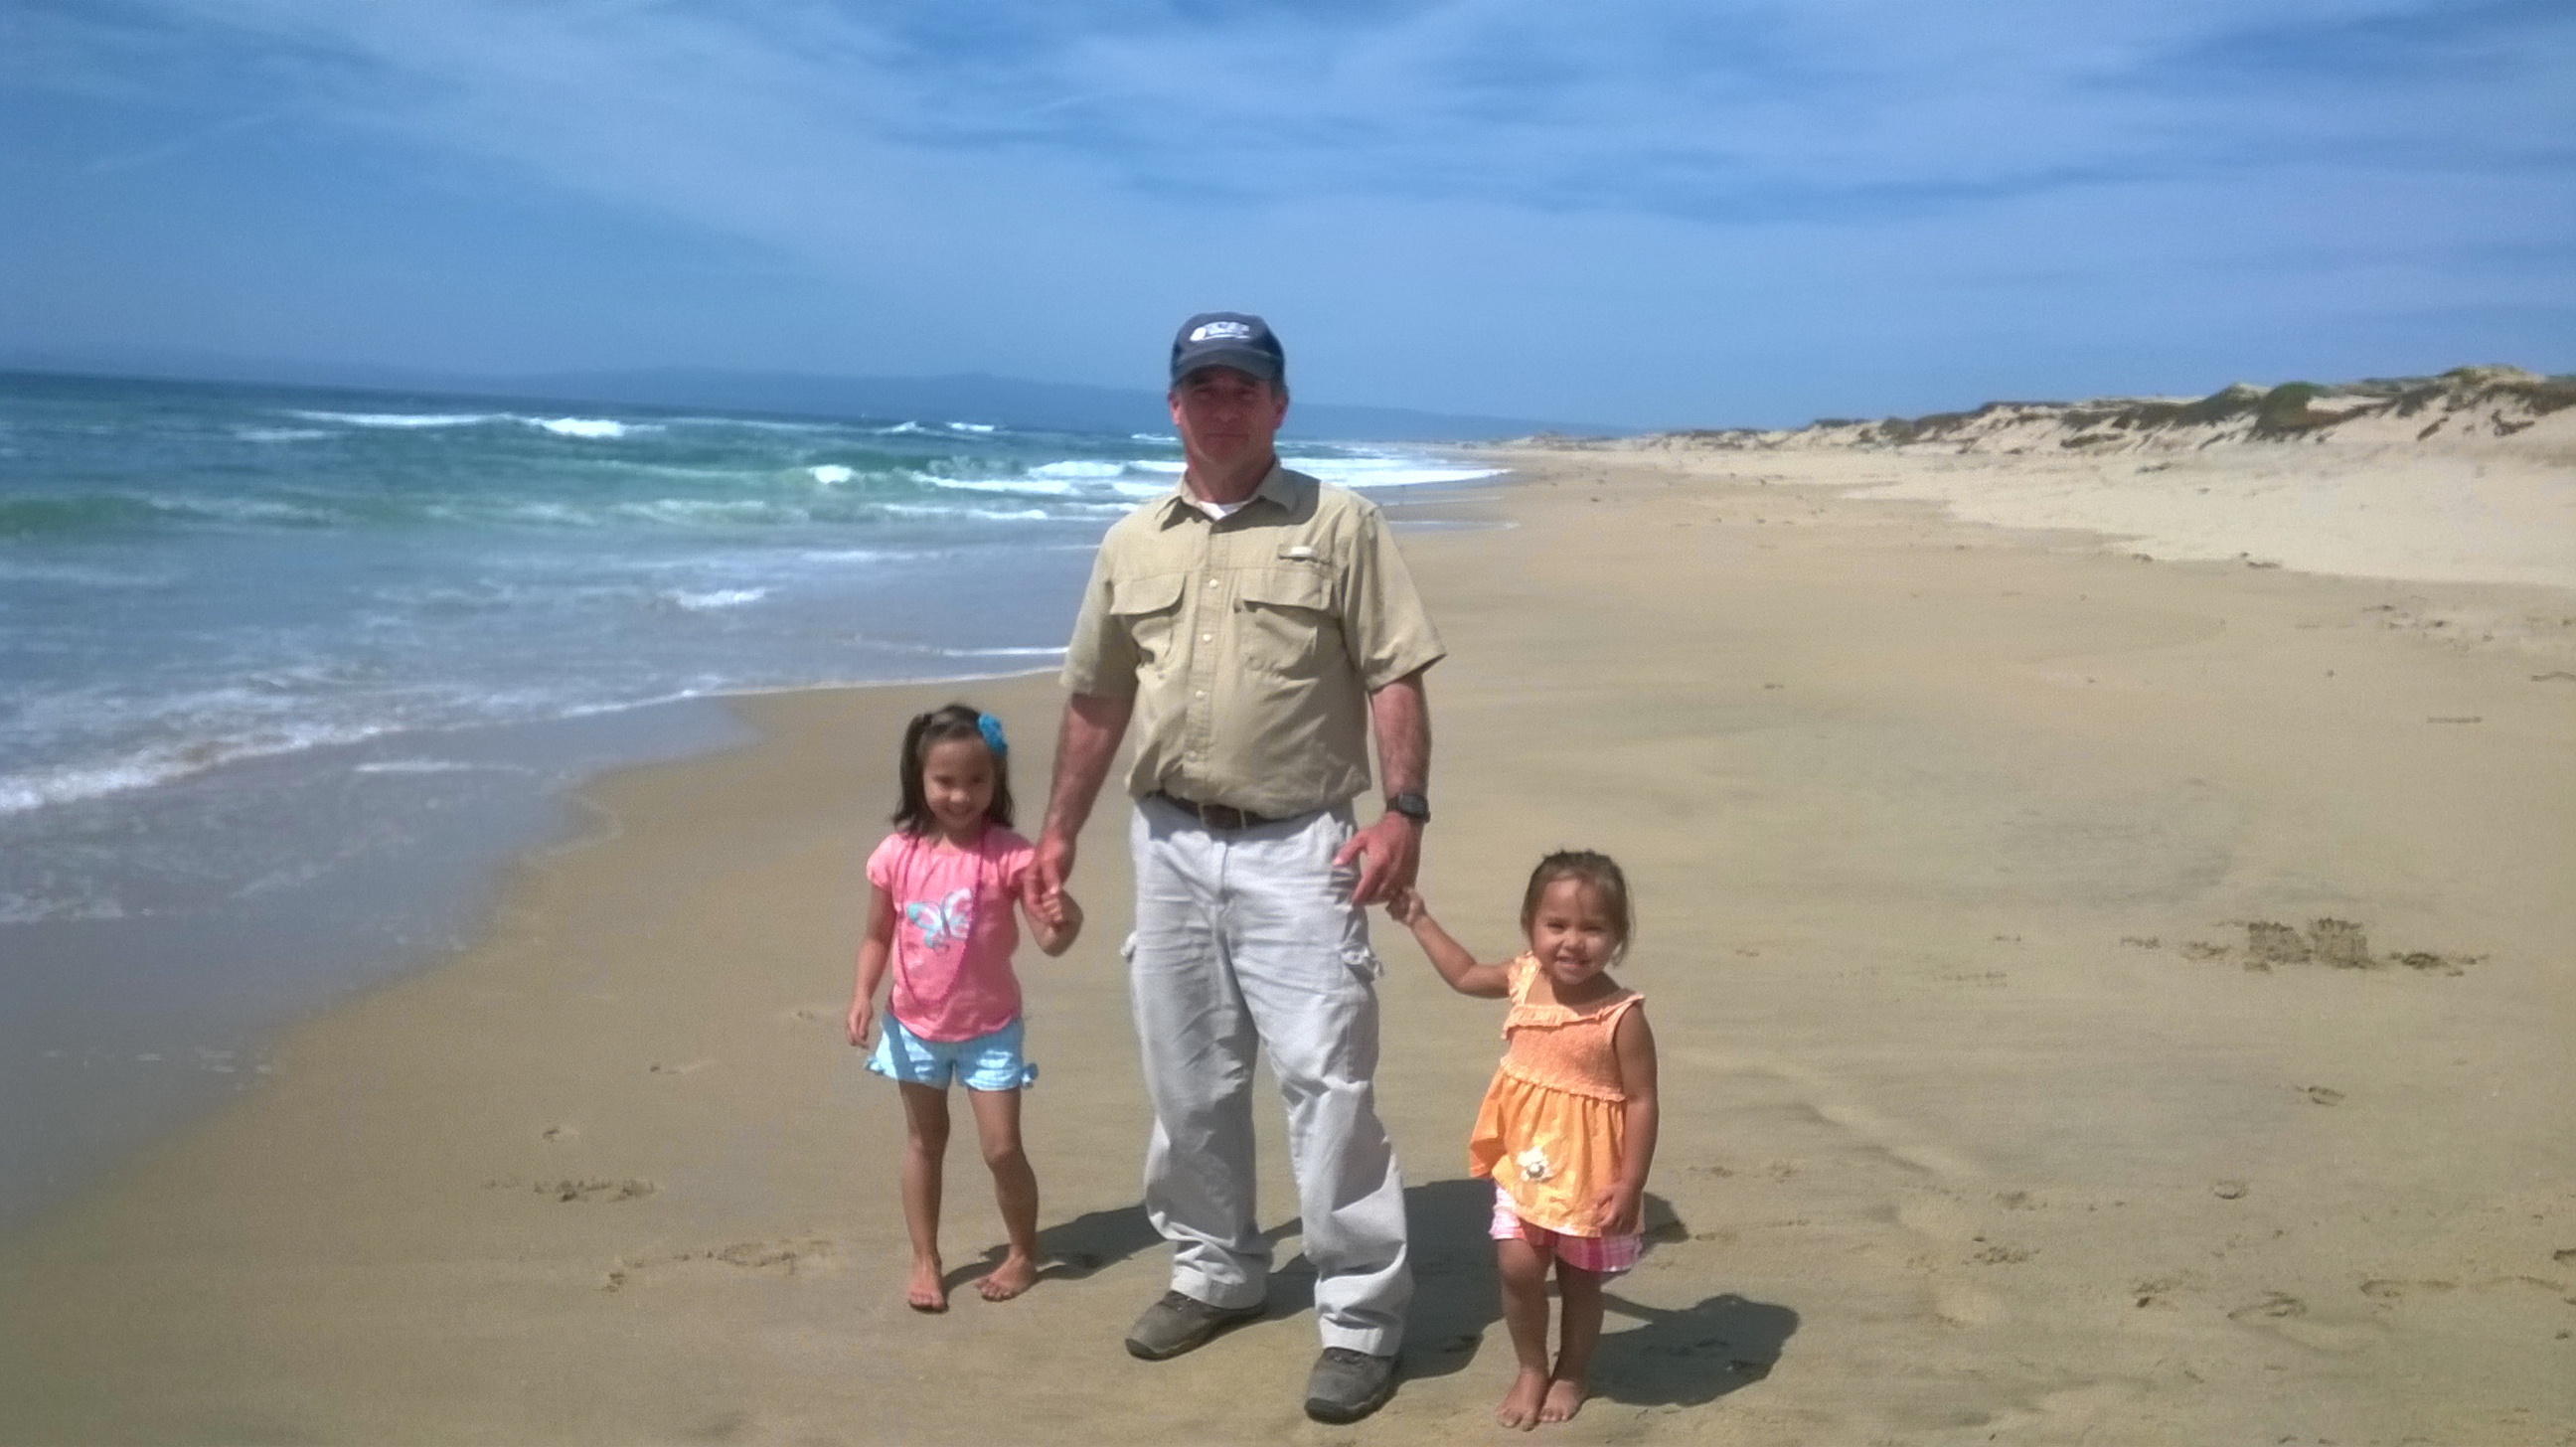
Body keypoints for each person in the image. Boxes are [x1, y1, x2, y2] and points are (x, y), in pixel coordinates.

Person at [1032, 312, 1443, 1424]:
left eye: (1244, 388)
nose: (1223, 406)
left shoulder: (1340, 523)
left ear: (1278, 405)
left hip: (1304, 844)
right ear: (1174, 406)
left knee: (1328, 1084)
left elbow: (1395, 671)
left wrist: (1403, 811)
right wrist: (1058, 832)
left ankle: (1360, 1320)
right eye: (1203, 388)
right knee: (1188, 1079)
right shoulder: (1132, 542)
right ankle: (1214, 1268)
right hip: (1167, 842)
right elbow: (1097, 697)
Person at [1386, 852, 1660, 1430]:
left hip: (1590, 1174)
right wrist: (1419, 919)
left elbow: (1641, 1100)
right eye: (1556, 925)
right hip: (1528, 1160)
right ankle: (1532, 1367)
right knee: (1517, 1266)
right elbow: (1465, 974)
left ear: (1618, 936)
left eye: (1593, 928)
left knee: (1581, 1282)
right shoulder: (1523, 978)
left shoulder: (1621, 1016)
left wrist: (1631, 1183)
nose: (1572, 942)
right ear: (1530, 925)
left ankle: (1572, 1371)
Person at [847, 704, 1082, 1313]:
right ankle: (925, 1258)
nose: (961, 795)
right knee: (924, 1141)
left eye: (976, 780)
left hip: (990, 1029)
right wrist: (862, 994)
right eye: (945, 781)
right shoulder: (896, 855)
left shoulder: (1010, 856)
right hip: (914, 1026)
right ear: (919, 779)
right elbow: (877, 936)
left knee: (1002, 1148)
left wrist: (1068, 916)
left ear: (996, 780)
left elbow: (1051, 940)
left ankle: (1023, 1253)